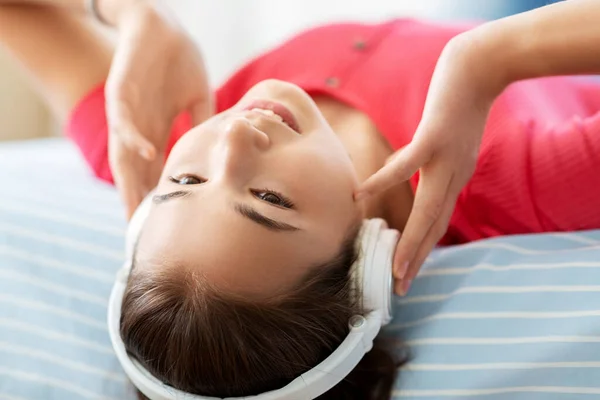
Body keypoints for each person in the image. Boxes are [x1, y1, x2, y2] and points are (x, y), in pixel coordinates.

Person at [1, 0, 599, 398]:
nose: (233, 137)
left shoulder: (143, 148)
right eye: (268, 198)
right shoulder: (524, 175)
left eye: (184, 186)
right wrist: (492, 56)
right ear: (365, 257)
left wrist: (135, 14)